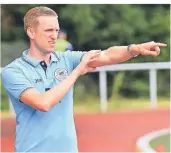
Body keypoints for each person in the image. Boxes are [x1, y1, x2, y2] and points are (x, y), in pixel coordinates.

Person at [1, 6, 167, 152]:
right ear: (31, 32)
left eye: (56, 30)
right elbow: (43, 103)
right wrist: (77, 71)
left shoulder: (66, 59)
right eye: (48, 31)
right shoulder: (14, 71)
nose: (54, 36)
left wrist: (134, 49)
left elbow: (107, 55)